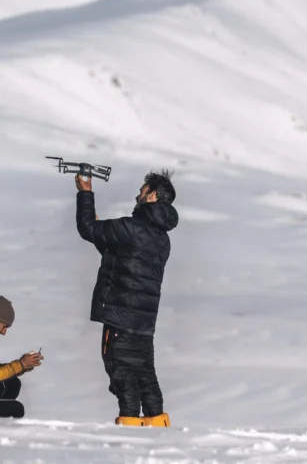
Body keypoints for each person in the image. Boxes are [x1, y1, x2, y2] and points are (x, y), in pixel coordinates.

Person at [75, 169, 178, 427]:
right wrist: (104, 235)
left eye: (142, 191)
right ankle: (158, 428)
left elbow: (88, 229)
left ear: (152, 195)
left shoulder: (131, 227)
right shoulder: (162, 239)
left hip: (120, 317)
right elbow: (123, 257)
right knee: (145, 375)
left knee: (123, 375)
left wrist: (85, 193)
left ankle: (129, 431)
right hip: (144, 323)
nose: (137, 195)